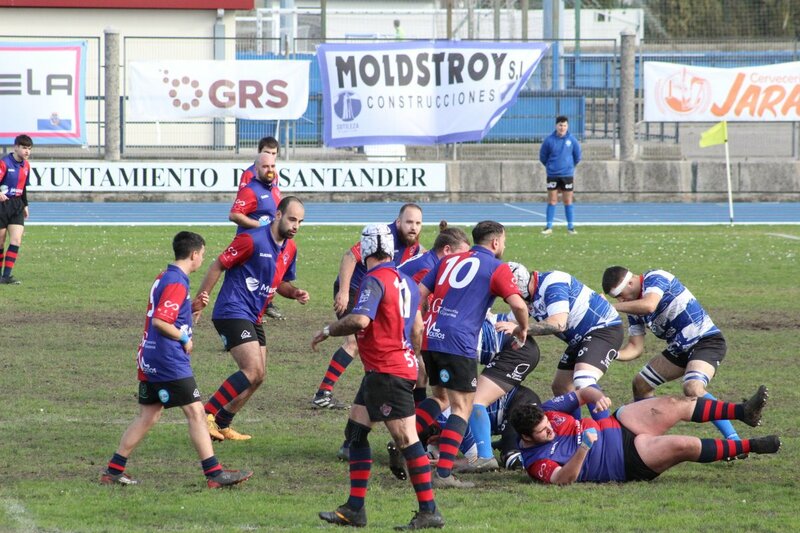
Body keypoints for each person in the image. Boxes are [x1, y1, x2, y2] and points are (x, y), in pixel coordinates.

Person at [311, 223, 444, 530]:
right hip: (388, 369)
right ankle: (354, 509)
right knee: (356, 432)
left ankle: (429, 510)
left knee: (406, 439)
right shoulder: (406, 281)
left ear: (367, 248)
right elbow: (417, 329)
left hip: (387, 371)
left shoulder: (373, 280)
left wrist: (328, 330)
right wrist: (412, 357)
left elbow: (360, 320)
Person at [100, 231, 252, 488]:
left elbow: (166, 313)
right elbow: (161, 321)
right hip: (168, 360)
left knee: (148, 415)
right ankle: (214, 474)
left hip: (150, 356)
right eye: (202, 254)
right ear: (194, 254)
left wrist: (190, 309)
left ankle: (113, 471)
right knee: (196, 413)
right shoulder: (177, 282)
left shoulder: (165, 276)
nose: (202, 259)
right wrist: (184, 338)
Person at [415, 220, 529, 488]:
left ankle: (403, 442)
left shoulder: (448, 260)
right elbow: (519, 305)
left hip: (431, 337)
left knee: (441, 398)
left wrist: (420, 324)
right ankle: (444, 475)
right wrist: (522, 329)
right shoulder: (497, 267)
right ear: (496, 242)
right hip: (458, 342)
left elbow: (419, 293)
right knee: (462, 407)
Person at [194, 196, 309, 441]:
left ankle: (222, 423)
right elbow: (218, 265)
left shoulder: (290, 249)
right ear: (278, 215)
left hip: (253, 315)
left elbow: (281, 283)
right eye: (292, 219)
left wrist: (294, 293)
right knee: (252, 370)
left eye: (300, 221)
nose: (296, 226)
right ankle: (206, 414)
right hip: (231, 310)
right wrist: (200, 301)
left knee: (258, 377)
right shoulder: (251, 239)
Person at [510, 384, 779, 484]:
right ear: (527, 437)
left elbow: (583, 393)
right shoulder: (536, 462)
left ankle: (744, 411)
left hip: (618, 423)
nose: (550, 429)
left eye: (548, 423)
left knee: (675, 403)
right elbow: (562, 480)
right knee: (683, 445)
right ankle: (751, 446)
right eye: (543, 431)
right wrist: (584, 447)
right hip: (624, 461)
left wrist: (596, 396)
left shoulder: (548, 412)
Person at [601, 266, 742, 443]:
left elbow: (649, 305)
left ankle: (734, 439)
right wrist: (612, 354)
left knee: (692, 388)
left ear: (630, 282)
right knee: (640, 384)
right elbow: (635, 348)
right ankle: (648, 439)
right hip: (680, 349)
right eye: (616, 298)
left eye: (620, 295)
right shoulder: (633, 308)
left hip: (705, 341)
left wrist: (610, 306)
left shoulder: (655, 277)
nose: (621, 300)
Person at [312, 203, 423, 410]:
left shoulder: (414, 247)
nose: (413, 227)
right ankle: (323, 393)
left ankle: (373, 393)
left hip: (378, 293)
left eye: (418, 223)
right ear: (398, 222)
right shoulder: (381, 235)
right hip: (356, 290)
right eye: (409, 222)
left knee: (374, 343)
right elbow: (349, 256)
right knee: (354, 343)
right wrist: (344, 291)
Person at [498, 263, 623, 419]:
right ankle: (575, 429)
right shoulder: (527, 297)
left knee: (583, 379)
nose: (509, 299)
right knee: (562, 387)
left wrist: (521, 329)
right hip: (580, 339)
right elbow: (507, 321)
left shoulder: (553, 282)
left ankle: (608, 431)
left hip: (603, 328)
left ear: (519, 285)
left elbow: (558, 323)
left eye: (509, 294)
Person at [236, 136, 284, 319]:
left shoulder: (274, 175)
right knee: (251, 272)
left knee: (269, 269)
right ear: (259, 153)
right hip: (253, 234)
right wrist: (259, 223)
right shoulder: (250, 174)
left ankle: (265, 304)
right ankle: (247, 308)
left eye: (273, 153)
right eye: (266, 152)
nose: (270, 156)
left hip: (270, 234)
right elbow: (242, 203)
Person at [539, 115, 581, 235]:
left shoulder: (572, 140)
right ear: (556, 126)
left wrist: (569, 167)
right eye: (560, 125)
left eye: (564, 125)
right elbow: (543, 157)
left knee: (567, 201)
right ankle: (548, 227)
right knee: (552, 200)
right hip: (553, 175)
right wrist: (550, 166)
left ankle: (570, 227)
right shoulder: (549, 140)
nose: (562, 128)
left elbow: (577, 156)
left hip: (567, 175)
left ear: (567, 126)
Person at [0, 134, 33, 285]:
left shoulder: (26, 166)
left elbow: (23, 187)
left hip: (17, 205)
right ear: (16, 147)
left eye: (29, 149)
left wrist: (25, 205)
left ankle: (6, 276)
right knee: (1, 242)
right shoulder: (4, 163)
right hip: (2, 205)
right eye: (24, 148)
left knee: (16, 240)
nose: (27, 151)